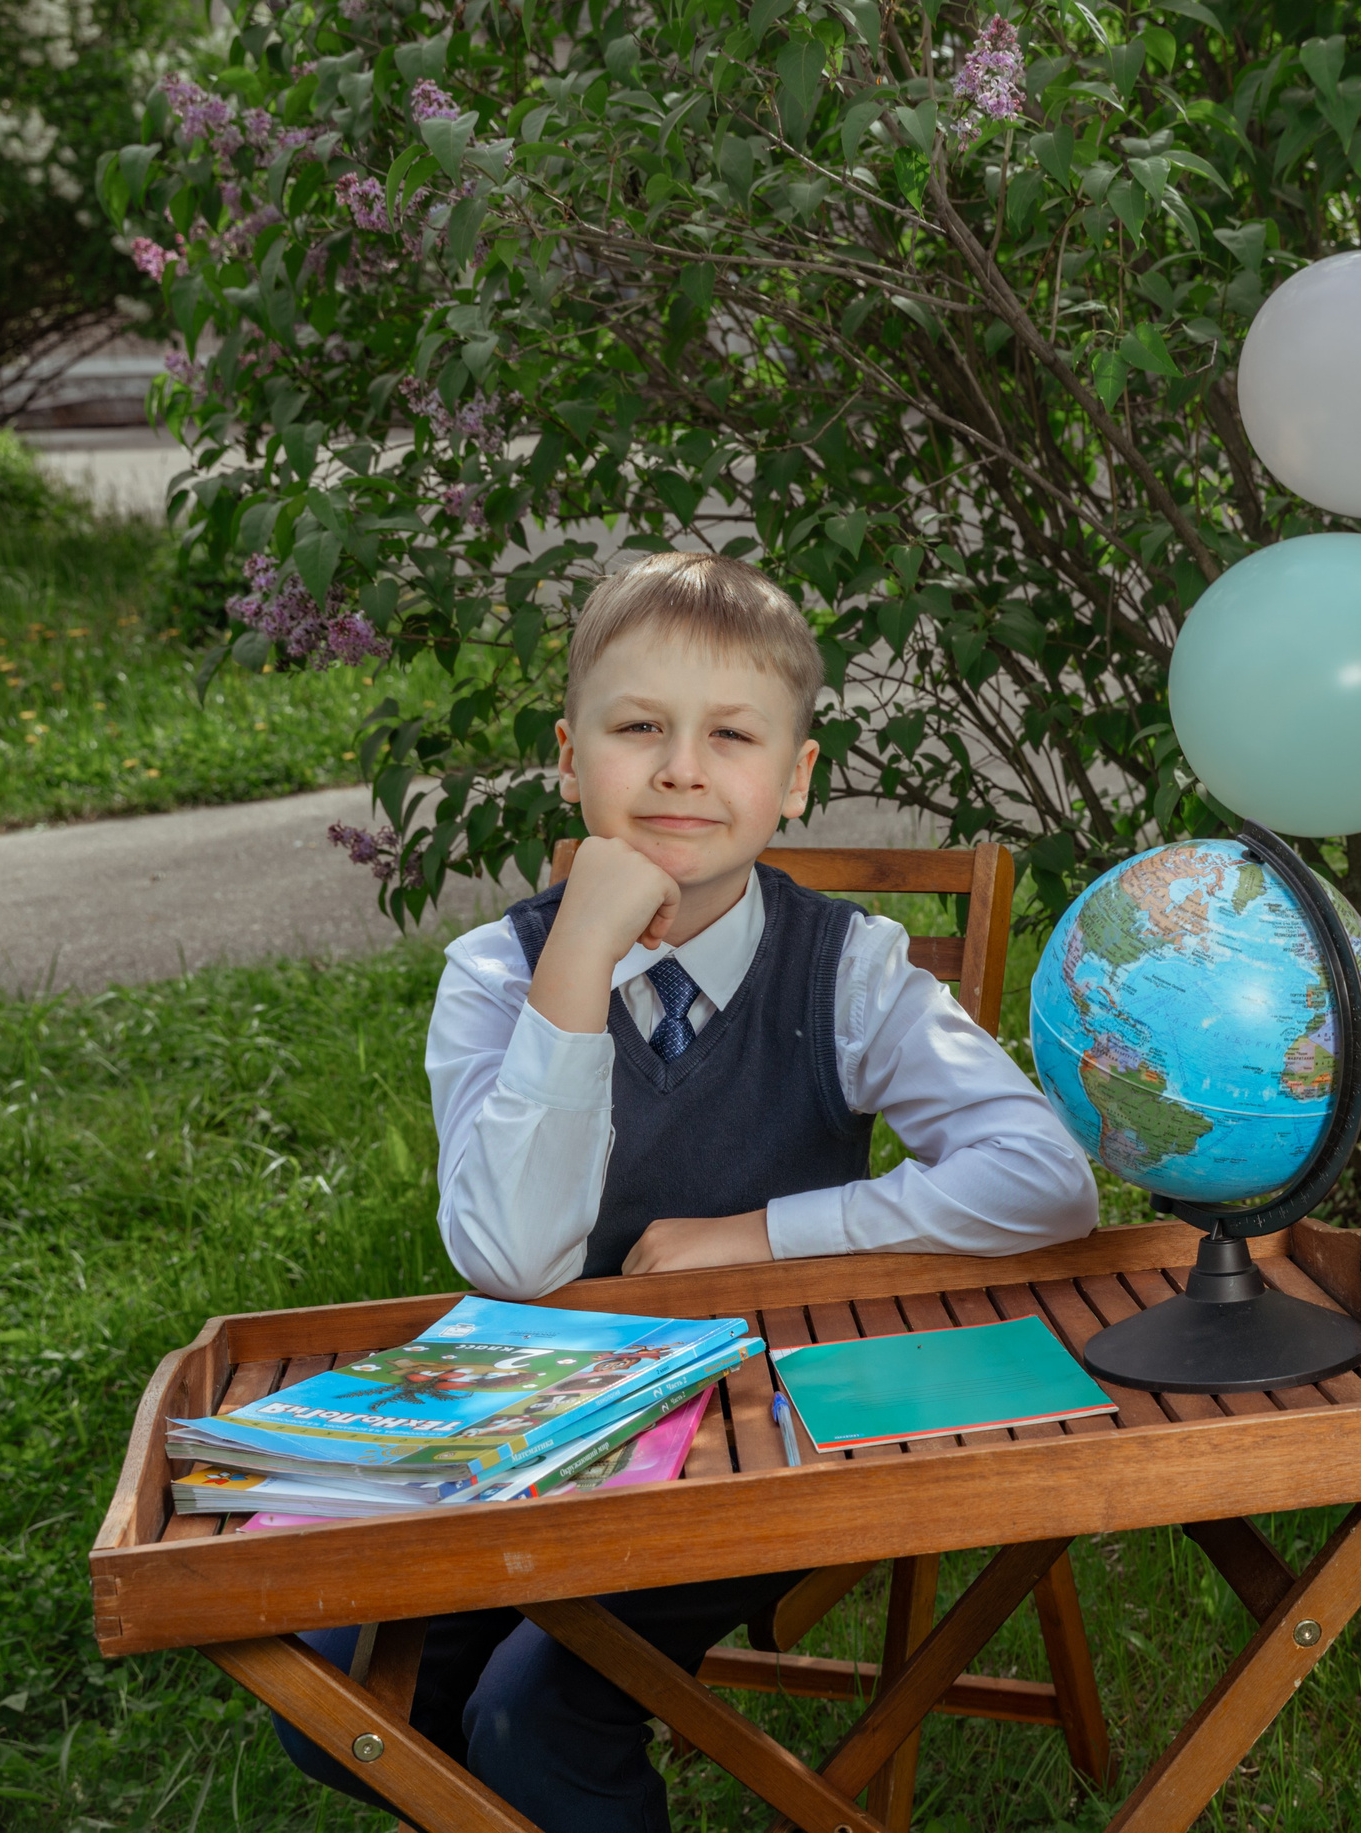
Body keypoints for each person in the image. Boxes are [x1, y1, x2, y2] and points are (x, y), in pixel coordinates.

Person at [273, 550, 1098, 1832]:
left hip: (765, 1430)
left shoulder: (852, 970)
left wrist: (760, 1235)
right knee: (324, 1682)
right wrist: (584, 959)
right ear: (571, 755)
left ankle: (532, 1757)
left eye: (730, 735)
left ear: (795, 778)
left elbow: (1044, 1182)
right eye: (639, 728)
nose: (680, 769)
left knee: (531, 1717)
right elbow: (513, 1261)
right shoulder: (501, 974)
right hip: (536, 1414)